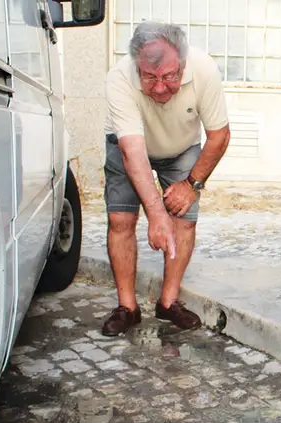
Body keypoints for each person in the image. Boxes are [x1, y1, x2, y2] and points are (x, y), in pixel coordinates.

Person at [100, 21, 231, 336]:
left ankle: (168, 302)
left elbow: (220, 136)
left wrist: (191, 186)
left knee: (184, 220)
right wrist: (156, 214)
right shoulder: (119, 78)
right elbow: (132, 151)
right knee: (120, 219)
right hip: (129, 147)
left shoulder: (204, 71)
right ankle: (127, 308)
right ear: (137, 66)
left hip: (182, 148)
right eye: (150, 77)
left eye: (170, 76)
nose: (160, 88)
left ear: (183, 64)